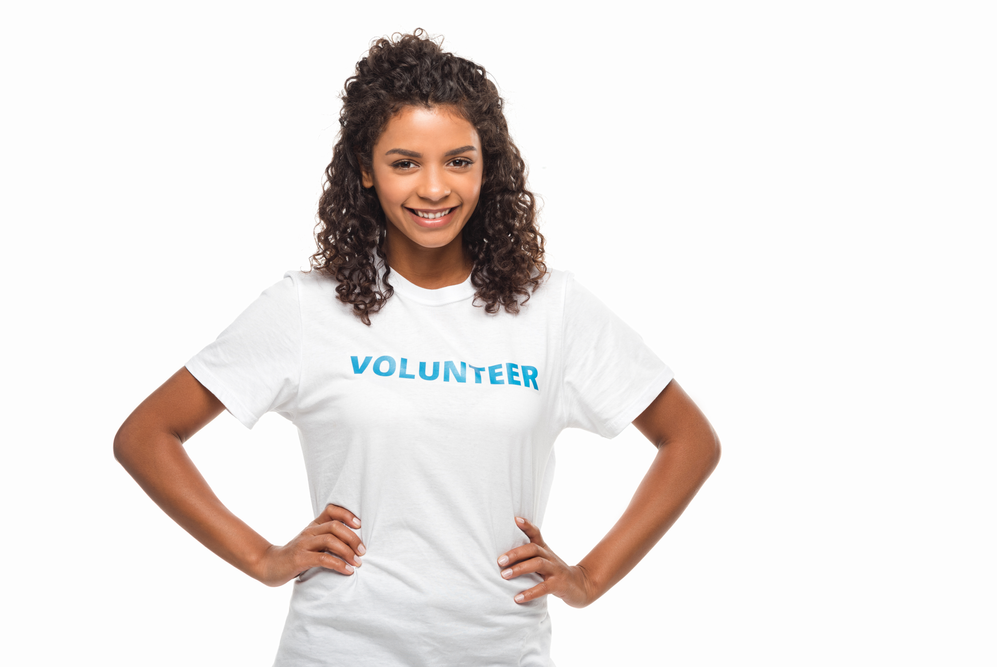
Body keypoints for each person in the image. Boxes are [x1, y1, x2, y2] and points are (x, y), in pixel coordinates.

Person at [114, 29, 720, 666]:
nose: (435, 189)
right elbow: (147, 434)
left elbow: (689, 439)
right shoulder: (305, 308)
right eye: (405, 163)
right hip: (339, 650)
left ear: (490, 166)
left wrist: (589, 580)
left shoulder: (554, 309)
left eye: (458, 160)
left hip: (500, 651)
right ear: (365, 171)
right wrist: (264, 558)